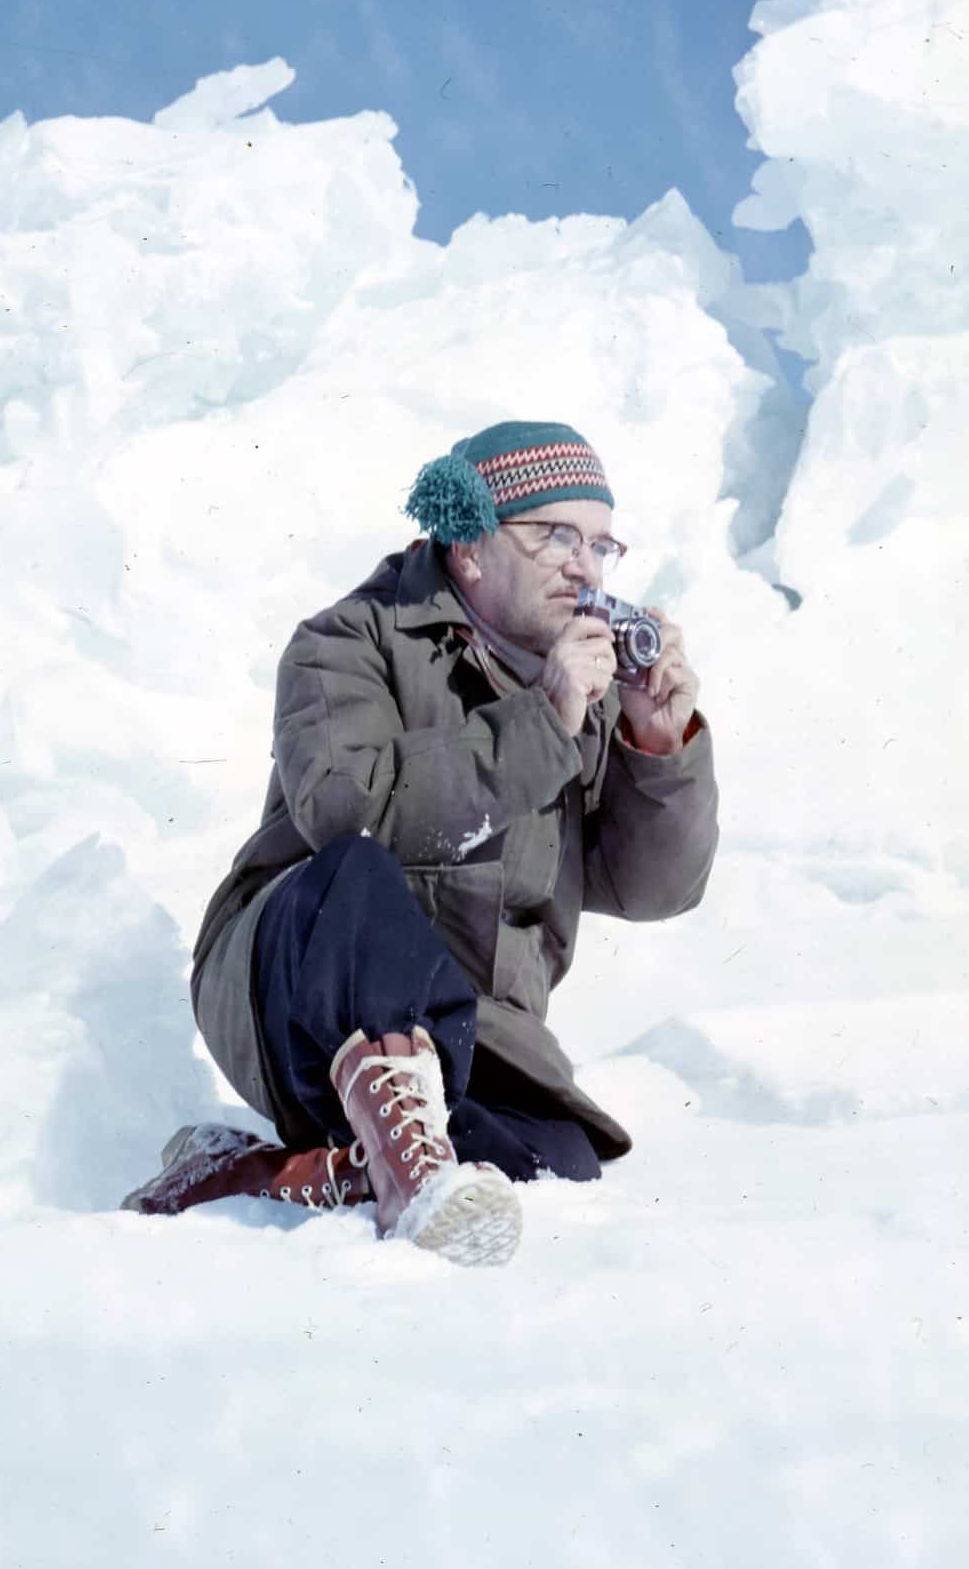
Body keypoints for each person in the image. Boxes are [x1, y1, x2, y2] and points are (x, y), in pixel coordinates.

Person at [125, 419, 719, 1266]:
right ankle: (407, 1175)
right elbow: (346, 812)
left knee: (557, 1163)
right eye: (557, 535)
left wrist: (656, 747)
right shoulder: (347, 641)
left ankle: (260, 1175)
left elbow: (655, 890)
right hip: (295, 992)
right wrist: (543, 722)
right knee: (358, 873)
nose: (585, 567)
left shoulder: (579, 687)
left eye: (600, 544)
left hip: (470, 1031)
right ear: (470, 545)